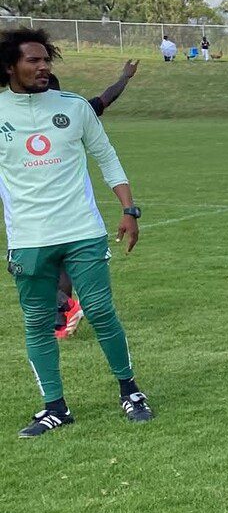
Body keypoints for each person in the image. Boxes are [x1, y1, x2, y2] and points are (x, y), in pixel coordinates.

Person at [0, 28, 154, 437]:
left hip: (82, 231)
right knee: (37, 323)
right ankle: (54, 407)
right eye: (33, 60)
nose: (43, 66)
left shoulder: (74, 107)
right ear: (9, 66)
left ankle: (131, 391)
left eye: (46, 59)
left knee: (102, 312)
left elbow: (107, 157)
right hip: (28, 239)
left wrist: (129, 209)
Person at [47, 60, 140, 340]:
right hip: (71, 207)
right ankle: (61, 318)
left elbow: (106, 99)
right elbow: (107, 97)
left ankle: (64, 307)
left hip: (47, 207)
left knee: (33, 269)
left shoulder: (73, 112)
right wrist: (125, 76)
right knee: (57, 264)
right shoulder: (78, 110)